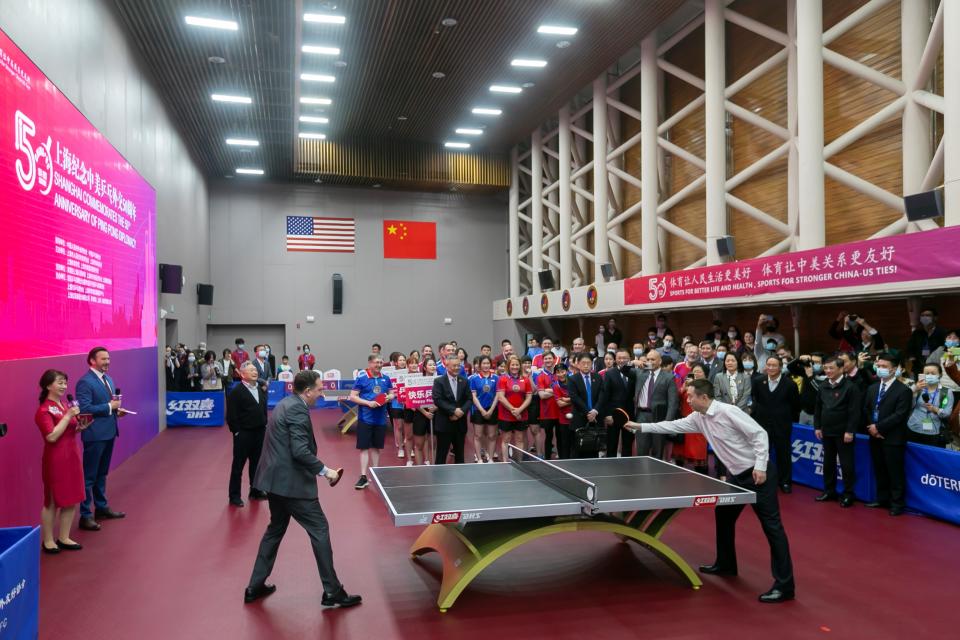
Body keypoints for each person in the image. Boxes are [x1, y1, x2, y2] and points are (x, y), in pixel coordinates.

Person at [624, 379, 796, 603]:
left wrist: (761, 466)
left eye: (691, 396)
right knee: (723, 515)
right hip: (737, 476)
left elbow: (760, 434)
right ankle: (726, 564)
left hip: (757, 475)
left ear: (703, 397)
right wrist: (640, 427)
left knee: (772, 527)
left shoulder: (728, 411)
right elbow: (672, 425)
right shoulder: (698, 417)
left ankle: (785, 586)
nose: (687, 399)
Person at [245, 370, 360, 609]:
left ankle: (255, 586)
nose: (321, 393)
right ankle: (332, 591)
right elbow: (299, 451)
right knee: (320, 529)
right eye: (319, 389)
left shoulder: (285, 403)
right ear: (307, 391)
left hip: (274, 482)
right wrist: (325, 470)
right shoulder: (297, 409)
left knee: (275, 529)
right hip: (292, 484)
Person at [76, 347, 128, 531]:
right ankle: (85, 515)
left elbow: (108, 406)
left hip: (109, 432)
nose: (107, 362)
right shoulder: (85, 382)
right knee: (89, 477)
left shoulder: (108, 379)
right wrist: (109, 406)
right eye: (103, 359)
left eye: (108, 358)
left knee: (102, 473)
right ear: (92, 361)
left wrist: (116, 411)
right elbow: (84, 408)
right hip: (95, 435)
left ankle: (101, 507)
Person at [35, 369, 86, 554]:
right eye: (60, 382)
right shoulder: (43, 410)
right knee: (52, 501)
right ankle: (48, 540)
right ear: (48, 385)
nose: (64, 386)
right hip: (55, 459)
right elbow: (51, 436)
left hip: (72, 455)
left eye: (65, 382)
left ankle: (64, 537)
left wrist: (80, 426)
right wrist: (68, 416)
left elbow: (68, 430)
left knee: (72, 497)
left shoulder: (66, 405)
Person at [863, 353, 913, 516]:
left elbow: (900, 415)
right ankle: (882, 498)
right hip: (874, 435)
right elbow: (867, 409)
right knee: (879, 469)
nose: (880, 369)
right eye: (879, 366)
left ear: (894, 369)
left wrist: (879, 428)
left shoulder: (904, 390)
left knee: (895, 472)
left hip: (892, 437)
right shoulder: (872, 388)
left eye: (884, 367)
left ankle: (897, 503)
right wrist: (872, 427)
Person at [814, 356, 862, 508]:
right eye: (826, 368)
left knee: (847, 464)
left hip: (843, 434)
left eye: (831, 368)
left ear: (841, 369)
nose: (827, 371)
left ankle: (848, 494)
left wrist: (850, 431)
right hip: (826, 432)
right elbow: (818, 408)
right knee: (828, 463)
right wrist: (817, 426)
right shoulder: (822, 386)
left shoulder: (850, 387)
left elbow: (854, 412)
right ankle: (829, 490)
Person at [751, 356, 800, 493]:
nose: (771, 368)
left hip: (782, 426)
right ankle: (760, 479)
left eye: (774, 365)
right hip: (762, 426)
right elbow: (756, 401)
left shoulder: (790, 384)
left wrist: (785, 419)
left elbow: (795, 406)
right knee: (761, 454)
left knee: (783, 455)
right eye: (769, 365)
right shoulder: (758, 381)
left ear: (780, 367)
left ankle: (785, 482)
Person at [227, 361, 269, 507]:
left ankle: (255, 490)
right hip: (243, 434)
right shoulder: (236, 392)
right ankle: (234, 496)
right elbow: (231, 415)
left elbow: (263, 409)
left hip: (259, 432)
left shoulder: (260, 390)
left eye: (255, 370)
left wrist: (265, 423)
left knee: (257, 464)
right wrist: (237, 432)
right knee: (238, 466)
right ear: (242, 374)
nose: (255, 372)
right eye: (251, 370)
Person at [349, 354, 394, 489]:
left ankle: (376, 474)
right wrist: (368, 403)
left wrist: (389, 397)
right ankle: (363, 477)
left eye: (381, 362)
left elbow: (392, 393)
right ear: (370, 363)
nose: (379, 365)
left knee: (376, 447)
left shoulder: (386, 379)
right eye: (376, 362)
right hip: (365, 418)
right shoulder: (362, 378)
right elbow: (352, 396)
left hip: (380, 419)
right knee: (364, 448)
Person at [633, 349, 679, 459]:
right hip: (642, 416)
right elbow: (624, 369)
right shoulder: (640, 373)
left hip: (659, 418)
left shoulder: (669, 377)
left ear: (660, 361)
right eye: (648, 359)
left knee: (657, 452)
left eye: (652, 359)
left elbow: (673, 402)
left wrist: (668, 423)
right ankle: (641, 475)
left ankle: (656, 475)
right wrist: (633, 363)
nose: (649, 361)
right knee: (641, 451)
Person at [432, 354, 472, 464]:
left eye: (458, 366)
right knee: (441, 455)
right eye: (454, 366)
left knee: (460, 455)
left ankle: (460, 478)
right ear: (446, 366)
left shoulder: (464, 381)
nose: (457, 368)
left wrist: (461, 412)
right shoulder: (439, 381)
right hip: (444, 424)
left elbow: (469, 399)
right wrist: (453, 411)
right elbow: (438, 400)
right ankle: (439, 478)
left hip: (460, 424)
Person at [598, 348, 636, 458]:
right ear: (615, 359)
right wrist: (607, 414)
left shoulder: (634, 372)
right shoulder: (610, 374)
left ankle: (626, 469)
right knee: (612, 445)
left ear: (629, 359)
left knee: (627, 444)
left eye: (625, 358)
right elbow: (605, 396)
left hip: (629, 415)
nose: (622, 360)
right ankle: (611, 468)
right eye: (619, 358)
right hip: (613, 415)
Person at [907, 363, 955, 447]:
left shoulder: (945, 392)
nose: (929, 375)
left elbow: (947, 414)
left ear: (940, 375)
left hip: (934, 431)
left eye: (933, 373)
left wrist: (935, 410)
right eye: (927, 373)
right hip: (914, 427)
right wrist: (915, 390)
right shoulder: (916, 388)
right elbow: (907, 406)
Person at [495, 355, 533, 461]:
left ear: (520, 366)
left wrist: (519, 410)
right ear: (508, 366)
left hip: (521, 415)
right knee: (505, 439)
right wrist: (513, 410)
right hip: (506, 415)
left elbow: (529, 397)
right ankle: (505, 462)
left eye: (517, 365)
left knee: (520, 439)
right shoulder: (503, 379)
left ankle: (519, 461)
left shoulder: (525, 380)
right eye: (512, 365)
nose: (515, 367)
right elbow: (501, 397)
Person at [567, 353, 603, 458]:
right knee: (577, 449)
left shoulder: (598, 377)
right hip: (579, 418)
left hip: (595, 418)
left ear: (592, 364)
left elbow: (602, 395)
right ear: (578, 364)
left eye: (588, 363)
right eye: (583, 363)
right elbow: (575, 398)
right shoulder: (573, 379)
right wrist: (588, 413)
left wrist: (595, 411)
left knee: (593, 448)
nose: (586, 365)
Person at [470, 355, 499, 463]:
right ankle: (479, 458)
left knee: (492, 435)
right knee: (478, 435)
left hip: (492, 409)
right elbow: (473, 396)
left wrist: (491, 410)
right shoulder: (474, 379)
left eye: (488, 363)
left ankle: (490, 458)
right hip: (478, 410)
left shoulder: (496, 378)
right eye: (484, 363)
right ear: (480, 365)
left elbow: (497, 395)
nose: (486, 365)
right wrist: (482, 410)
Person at [410, 356, 437, 465]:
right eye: (430, 365)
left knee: (433, 444)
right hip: (420, 414)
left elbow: (444, 398)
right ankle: (420, 468)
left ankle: (433, 466)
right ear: (425, 367)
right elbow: (413, 400)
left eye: (434, 364)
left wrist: (436, 407)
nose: (433, 366)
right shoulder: (418, 380)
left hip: (435, 413)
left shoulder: (439, 380)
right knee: (419, 444)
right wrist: (425, 412)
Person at [906, 306, 947, 375]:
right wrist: (911, 358)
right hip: (919, 367)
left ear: (935, 318)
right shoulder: (917, 333)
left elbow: (946, 349)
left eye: (928, 315)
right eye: (922, 316)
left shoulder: (942, 332)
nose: (925, 317)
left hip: (937, 367)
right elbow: (910, 348)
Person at [535, 351, 561, 460]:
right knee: (548, 436)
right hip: (547, 412)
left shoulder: (560, 373)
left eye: (550, 358)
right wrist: (557, 391)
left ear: (554, 359)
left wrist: (548, 390)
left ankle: (562, 456)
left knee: (560, 436)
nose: (548, 360)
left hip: (560, 411)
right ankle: (547, 458)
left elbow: (566, 390)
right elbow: (541, 395)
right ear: (543, 360)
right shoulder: (540, 376)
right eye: (545, 359)